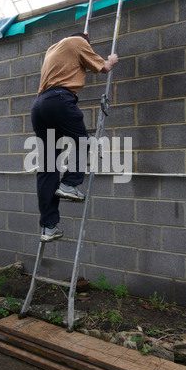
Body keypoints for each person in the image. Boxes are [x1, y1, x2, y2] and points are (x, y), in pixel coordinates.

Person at [31, 32, 118, 242]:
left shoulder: (53, 49)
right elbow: (104, 68)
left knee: (47, 167)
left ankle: (49, 227)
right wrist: (111, 60)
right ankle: (69, 184)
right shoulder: (78, 42)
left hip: (39, 106)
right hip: (59, 99)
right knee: (83, 140)